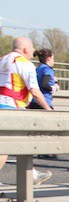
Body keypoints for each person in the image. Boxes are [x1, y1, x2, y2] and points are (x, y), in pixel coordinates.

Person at [0, 36, 53, 186]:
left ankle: (32, 174)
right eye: (31, 48)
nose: (33, 51)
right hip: (12, 107)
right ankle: (31, 175)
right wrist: (48, 109)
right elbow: (35, 91)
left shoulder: (3, 60)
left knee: (19, 143)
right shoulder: (24, 63)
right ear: (25, 49)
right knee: (6, 146)